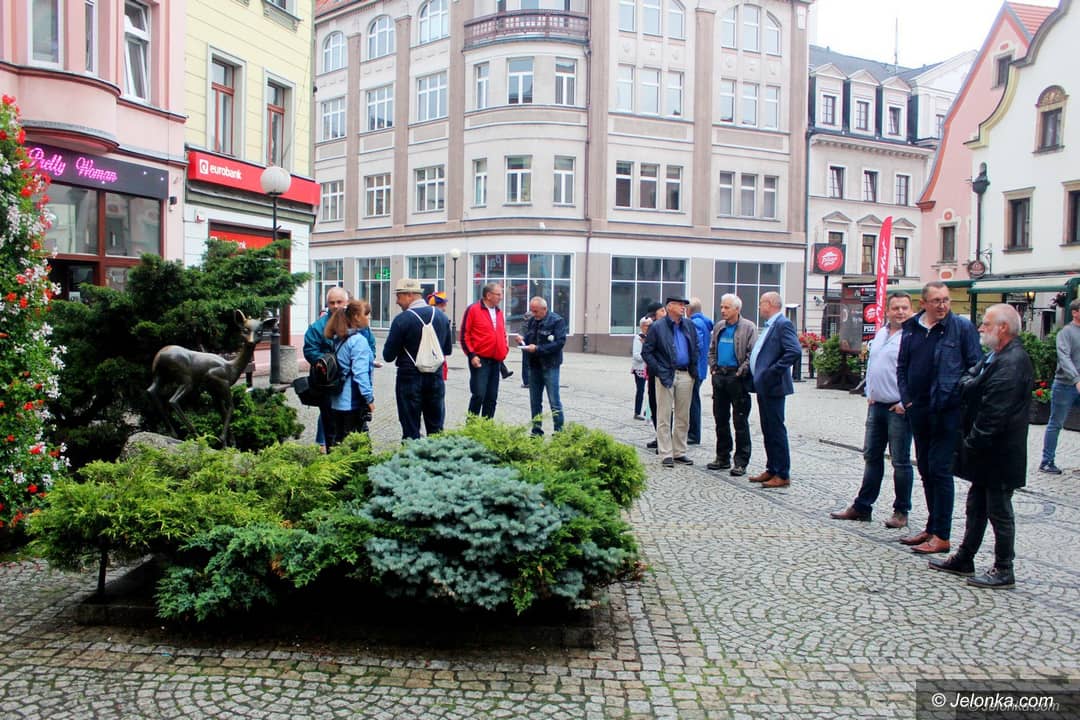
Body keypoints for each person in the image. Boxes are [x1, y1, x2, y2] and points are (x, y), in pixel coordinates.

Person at [929, 304, 1032, 589]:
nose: (981, 328)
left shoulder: (1012, 362)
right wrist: (972, 385)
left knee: (999, 510)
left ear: (1003, 327)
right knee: (976, 506)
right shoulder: (995, 356)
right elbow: (965, 380)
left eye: (986, 323)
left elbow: (994, 413)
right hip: (987, 450)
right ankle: (965, 557)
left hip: (1000, 451)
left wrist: (971, 444)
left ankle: (1004, 568)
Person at [896, 281, 982, 555]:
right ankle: (932, 527)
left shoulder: (961, 328)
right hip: (919, 409)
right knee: (925, 468)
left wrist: (957, 397)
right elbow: (902, 366)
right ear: (923, 303)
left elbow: (975, 368)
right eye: (936, 301)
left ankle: (942, 534)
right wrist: (907, 399)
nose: (942, 305)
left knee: (941, 470)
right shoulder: (912, 328)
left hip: (947, 410)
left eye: (946, 300)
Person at [830, 292, 914, 527]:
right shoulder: (881, 333)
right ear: (887, 311)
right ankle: (863, 506)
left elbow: (918, 373)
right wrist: (869, 390)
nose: (900, 312)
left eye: (904, 308)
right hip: (877, 405)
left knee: (900, 461)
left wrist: (906, 402)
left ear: (911, 311)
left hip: (898, 408)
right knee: (871, 456)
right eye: (896, 308)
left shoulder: (913, 337)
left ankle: (901, 511)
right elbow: (874, 364)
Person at [383, 278, 453, 440]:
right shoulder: (442, 317)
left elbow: (388, 356)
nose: (397, 301)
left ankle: (412, 455)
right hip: (435, 377)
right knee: (436, 430)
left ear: (409, 295)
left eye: (399, 296)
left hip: (409, 378)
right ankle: (436, 455)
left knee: (410, 430)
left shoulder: (402, 320)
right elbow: (447, 350)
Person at [748, 292, 801, 488]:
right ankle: (772, 467)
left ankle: (782, 472)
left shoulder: (782, 324)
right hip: (763, 385)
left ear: (770, 304)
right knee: (767, 428)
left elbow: (794, 351)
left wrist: (773, 371)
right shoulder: (771, 325)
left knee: (776, 429)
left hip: (774, 386)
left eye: (761, 303)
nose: (759, 306)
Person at [642, 296, 698, 468]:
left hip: (686, 373)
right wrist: (658, 370)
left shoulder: (688, 325)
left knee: (683, 416)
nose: (683, 307)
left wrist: (693, 370)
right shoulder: (658, 327)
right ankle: (666, 452)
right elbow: (647, 352)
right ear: (670, 307)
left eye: (684, 305)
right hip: (666, 374)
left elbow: (695, 346)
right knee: (664, 415)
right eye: (680, 305)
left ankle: (679, 451)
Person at [706, 293, 757, 477]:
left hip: (737, 377)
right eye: (722, 307)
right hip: (720, 375)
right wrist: (713, 367)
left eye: (726, 307)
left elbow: (752, 353)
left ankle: (741, 461)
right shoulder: (719, 327)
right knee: (720, 419)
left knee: (740, 421)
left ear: (737, 309)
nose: (723, 310)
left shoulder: (748, 327)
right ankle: (722, 457)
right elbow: (711, 349)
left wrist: (740, 371)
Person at [323, 299, 375, 448]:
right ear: (357, 317)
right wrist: (369, 398)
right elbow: (360, 374)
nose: (369, 317)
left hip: (337, 400)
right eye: (366, 314)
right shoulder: (358, 341)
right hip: (352, 402)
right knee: (357, 446)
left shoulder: (340, 338)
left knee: (339, 441)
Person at [304, 287, 349, 450]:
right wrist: (327, 363)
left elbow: (369, 345)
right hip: (328, 383)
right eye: (332, 302)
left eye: (339, 302)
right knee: (329, 417)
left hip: (351, 380)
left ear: (347, 302)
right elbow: (310, 350)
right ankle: (328, 448)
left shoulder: (357, 323)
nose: (336, 306)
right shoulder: (317, 327)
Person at [1039, 298, 1080, 474]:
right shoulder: (1066, 333)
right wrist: (1076, 379)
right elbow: (1064, 357)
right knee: (1056, 423)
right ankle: (1047, 461)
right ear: (1075, 312)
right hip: (1065, 385)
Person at [460, 282, 510, 419]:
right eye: (498, 294)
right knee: (479, 395)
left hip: (496, 360)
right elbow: (464, 335)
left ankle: (487, 427)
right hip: (480, 359)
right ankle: (472, 426)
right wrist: (471, 355)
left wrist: (504, 350)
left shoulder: (499, 312)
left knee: (492, 397)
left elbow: (502, 333)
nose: (501, 297)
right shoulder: (473, 310)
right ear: (488, 295)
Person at [521, 296, 567, 436]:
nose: (533, 314)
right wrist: (522, 340)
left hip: (550, 365)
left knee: (554, 401)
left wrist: (538, 349)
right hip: (534, 366)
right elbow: (529, 338)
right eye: (532, 311)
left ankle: (559, 432)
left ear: (544, 309)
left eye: (536, 311)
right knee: (535, 401)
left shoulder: (557, 321)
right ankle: (536, 431)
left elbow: (559, 343)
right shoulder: (532, 321)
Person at [687, 298, 714, 446]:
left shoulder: (694, 323)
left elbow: (696, 345)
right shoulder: (705, 322)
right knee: (693, 399)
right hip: (701, 367)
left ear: (689, 310)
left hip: (695, 368)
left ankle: (693, 434)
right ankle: (692, 432)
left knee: (692, 401)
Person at [632, 317, 651, 420]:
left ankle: (648, 410)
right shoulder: (638, 338)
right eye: (647, 325)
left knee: (651, 391)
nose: (649, 327)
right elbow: (636, 355)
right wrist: (647, 357)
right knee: (640, 390)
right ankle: (637, 412)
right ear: (642, 326)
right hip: (640, 368)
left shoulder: (649, 337)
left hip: (649, 368)